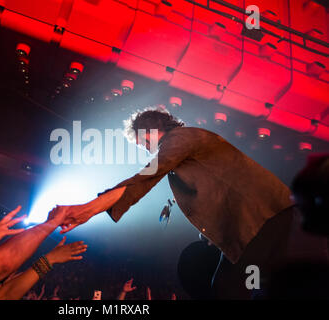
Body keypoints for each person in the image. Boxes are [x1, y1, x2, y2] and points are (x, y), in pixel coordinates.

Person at [49, 107, 295, 299]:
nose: (146, 150)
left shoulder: (180, 139)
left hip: (263, 217)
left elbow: (143, 179)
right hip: (263, 218)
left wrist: (86, 209)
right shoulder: (188, 144)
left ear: (152, 130)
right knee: (254, 286)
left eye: (144, 143)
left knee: (229, 289)